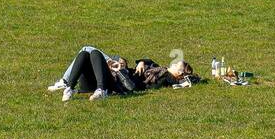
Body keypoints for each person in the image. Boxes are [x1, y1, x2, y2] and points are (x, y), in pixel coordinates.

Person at [47, 46, 196, 102]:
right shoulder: (158, 67)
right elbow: (146, 61)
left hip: (119, 84)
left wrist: (187, 77)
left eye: (178, 65)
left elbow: (192, 79)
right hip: (112, 77)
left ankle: (101, 90)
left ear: (180, 73)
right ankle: (69, 88)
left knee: (94, 52)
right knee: (86, 54)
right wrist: (142, 62)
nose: (175, 62)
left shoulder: (167, 78)